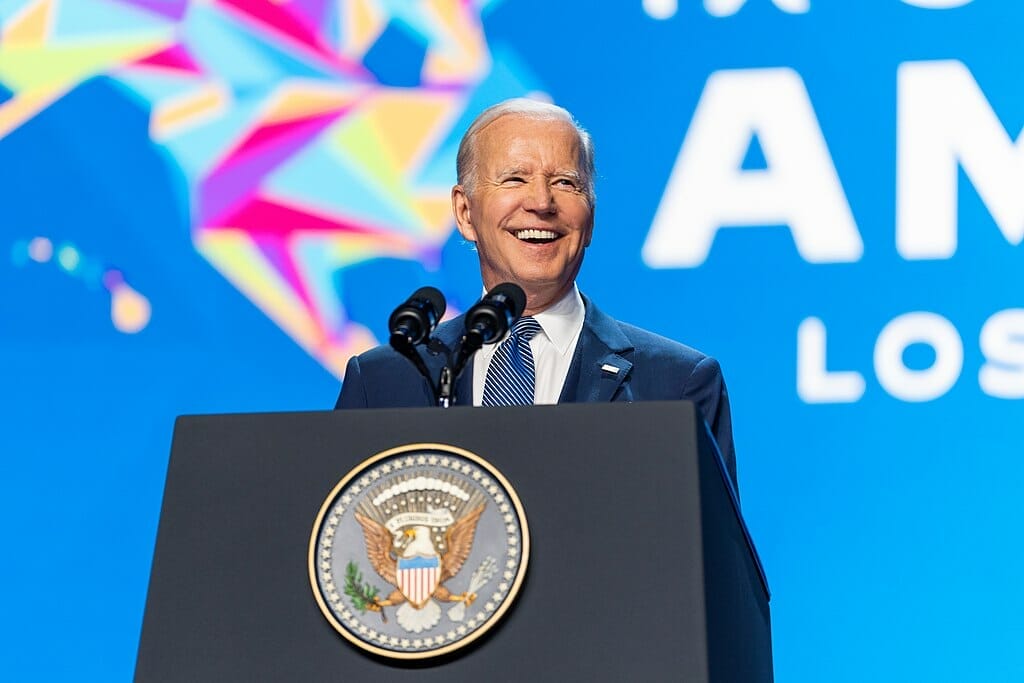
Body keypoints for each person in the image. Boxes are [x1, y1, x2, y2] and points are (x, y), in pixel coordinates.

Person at [335, 98, 737, 489]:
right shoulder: (381, 382)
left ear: (590, 216)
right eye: (515, 178)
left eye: (566, 183)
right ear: (464, 212)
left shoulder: (676, 385)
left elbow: (707, 553)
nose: (542, 202)